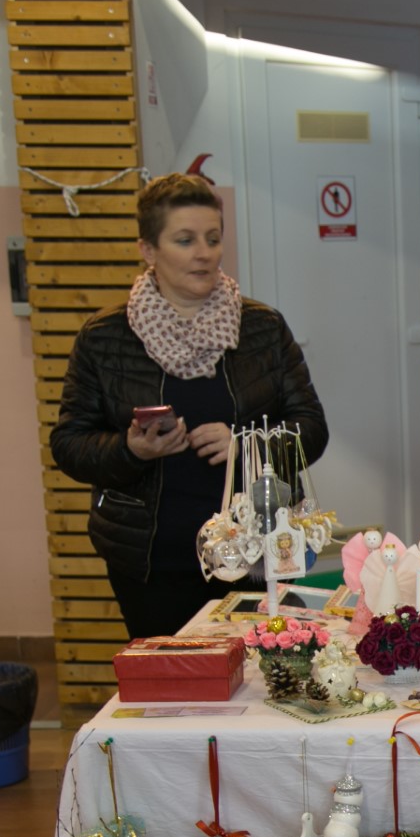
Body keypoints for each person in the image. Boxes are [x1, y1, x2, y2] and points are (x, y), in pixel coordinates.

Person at [52, 173, 328, 639]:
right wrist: (131, 450)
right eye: (185, 240)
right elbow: (69, 445)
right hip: (151, 562)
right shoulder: (104, 338)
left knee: (262, 672)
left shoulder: (262, 329)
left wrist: (245, 446)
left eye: (212, 238)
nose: (204, 253)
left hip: (257, 552)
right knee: (168, 677)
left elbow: (312, 429)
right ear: (148, 249)